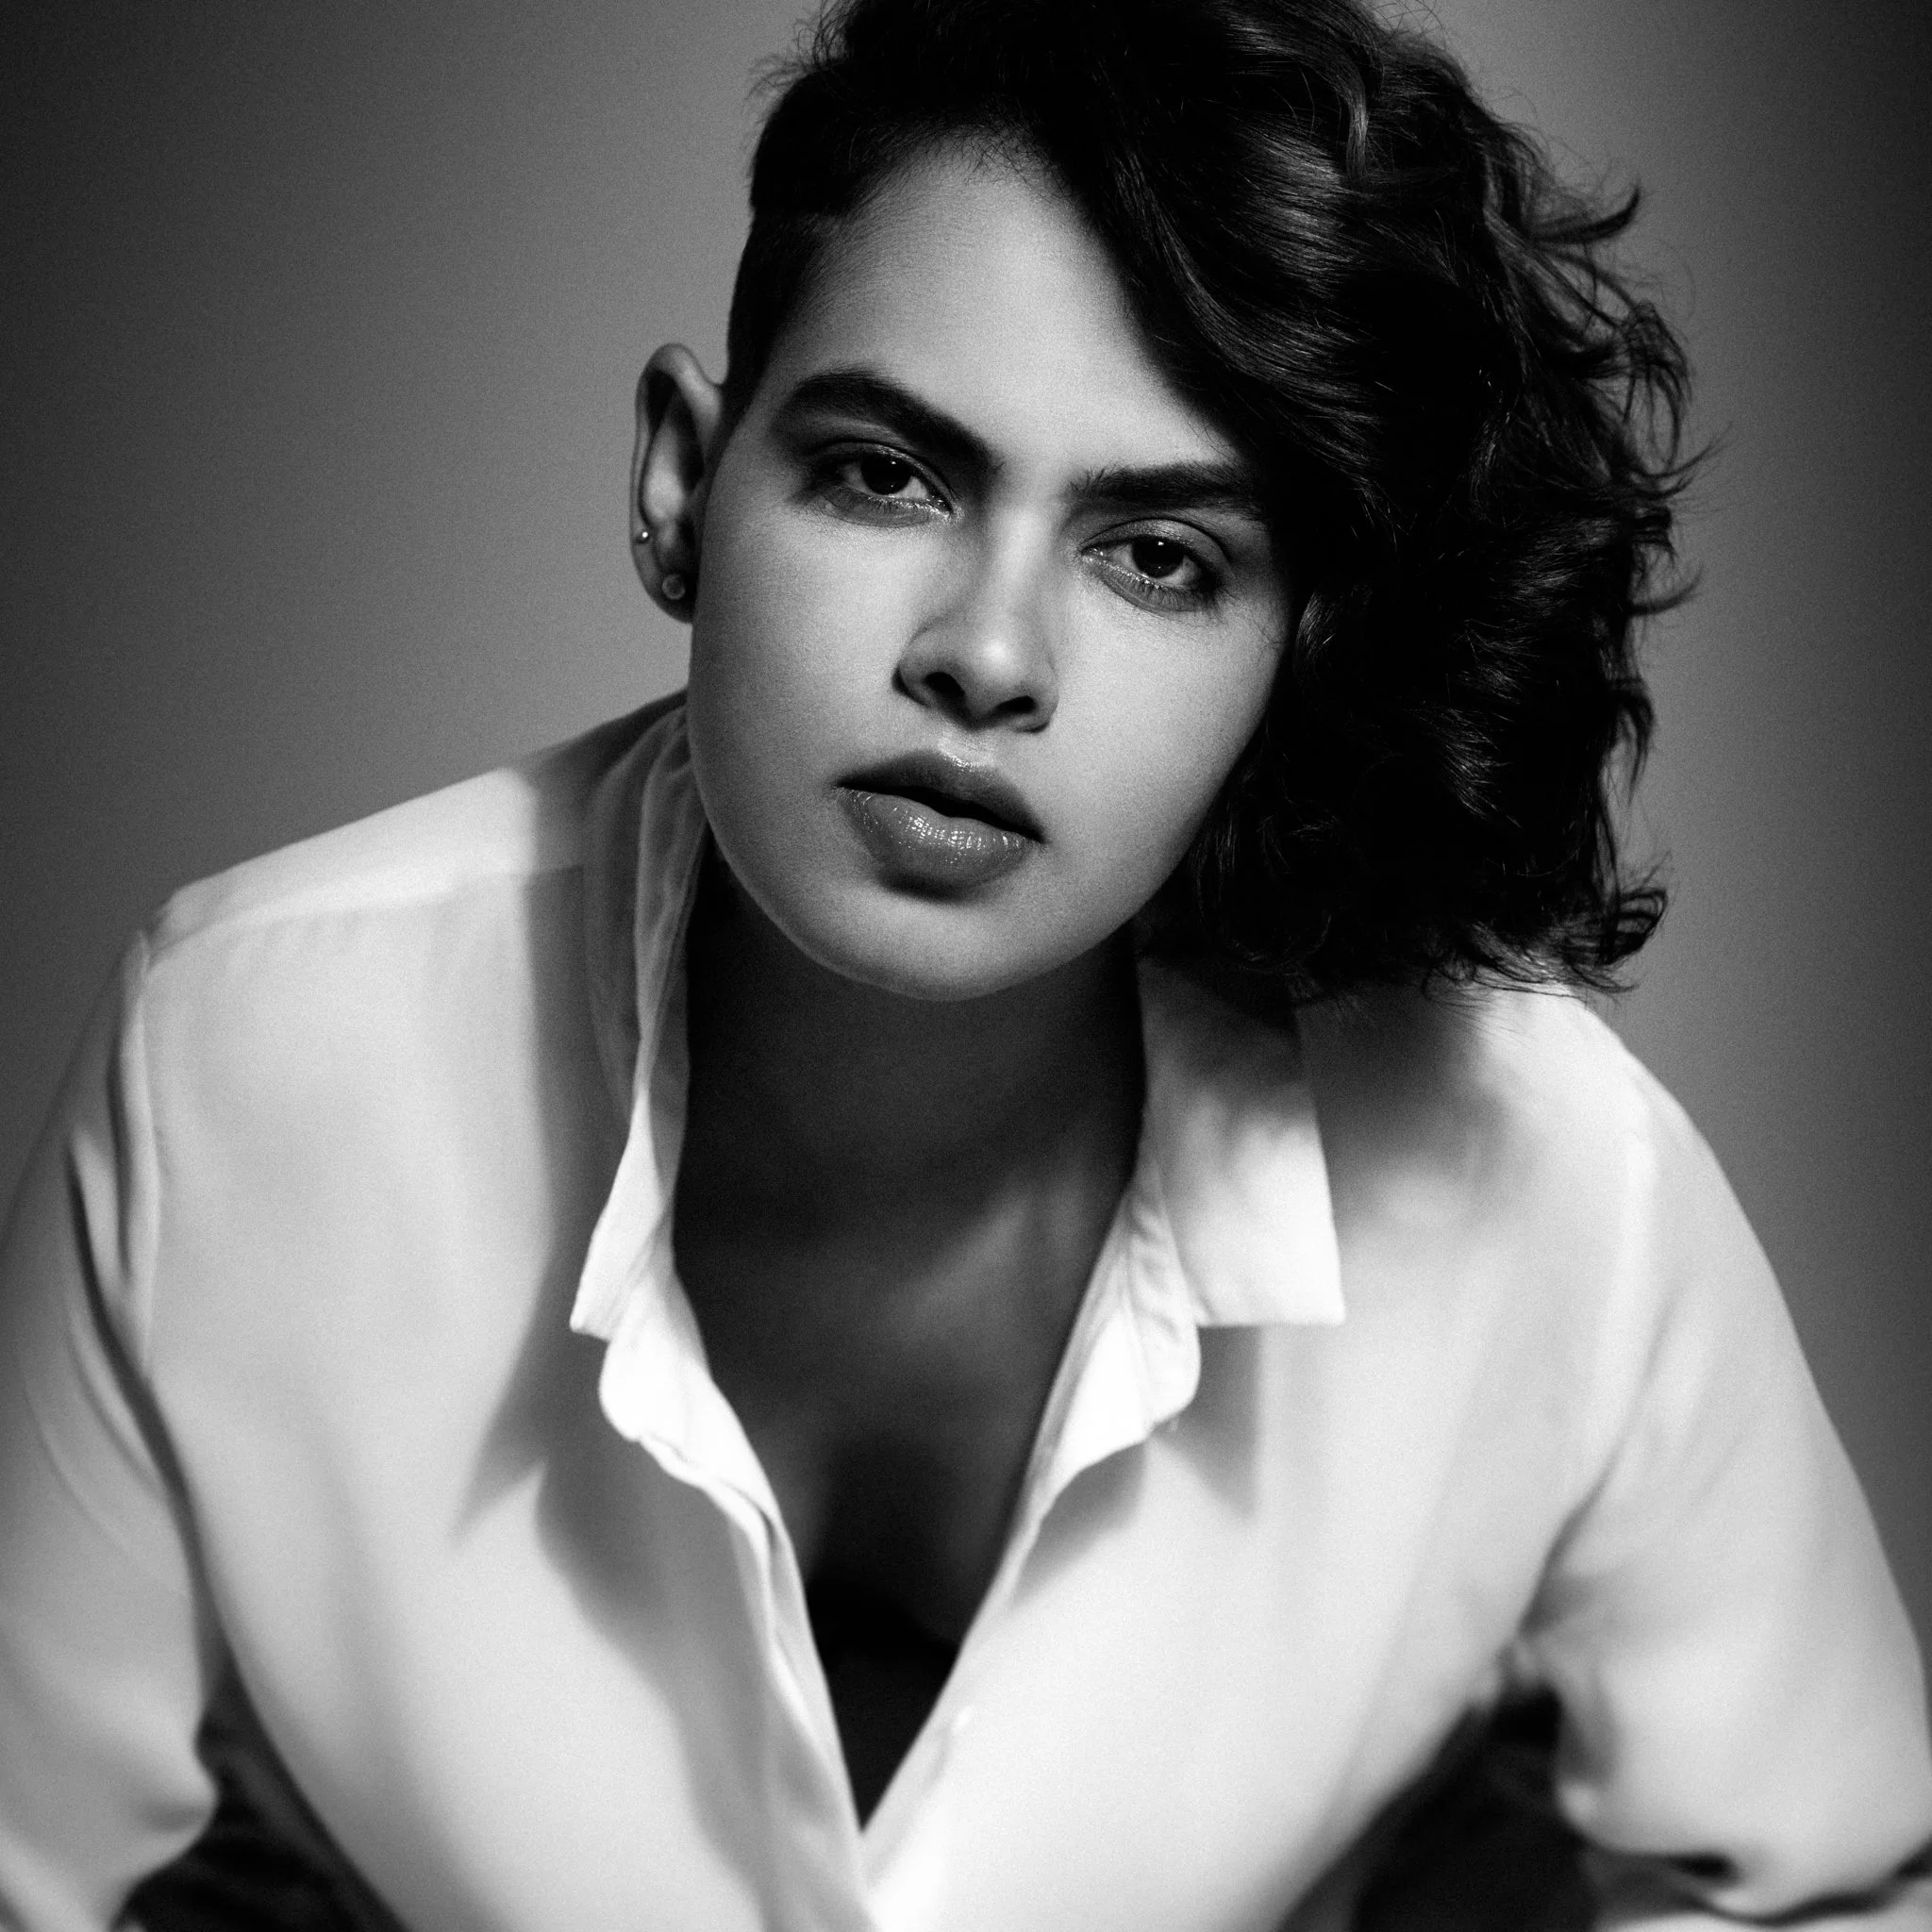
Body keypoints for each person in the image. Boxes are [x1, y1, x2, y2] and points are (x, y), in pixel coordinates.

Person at [2, 0, 1928, 1924]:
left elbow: (1835, 1881)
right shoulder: (243, 1064)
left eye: (1158, 555)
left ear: (1296, 643)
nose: (986, 654)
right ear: (684, 478)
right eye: (884, 474)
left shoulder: (1541, 1174)